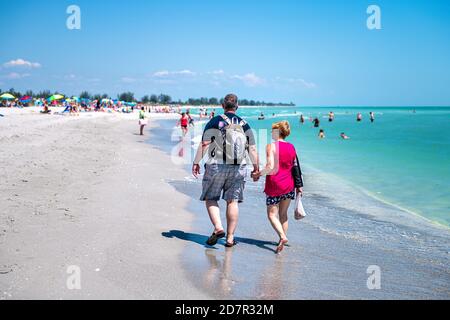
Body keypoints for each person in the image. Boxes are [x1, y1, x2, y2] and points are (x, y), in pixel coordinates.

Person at [192, 94, 259, 248]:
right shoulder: (244, 124)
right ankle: (230, 238)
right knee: (232, 201)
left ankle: (218, 227)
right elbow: (252, 148)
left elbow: (204, 144)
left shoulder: (215, 120)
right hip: (239, 166)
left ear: (223, 105)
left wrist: (196, 162)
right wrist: (256, 167)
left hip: (217, 164)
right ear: (237, 106)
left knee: (211, 197)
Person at [253, 121, 303, 254]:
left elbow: (269, 166)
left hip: (275, 184)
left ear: (277, 132)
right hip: (289, 185)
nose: (271, 133)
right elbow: (295, 166)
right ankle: (281, 239)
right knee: (283, 214)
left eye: (273, 130)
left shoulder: (271, 146)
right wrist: (299, 185)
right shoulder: (292, 147)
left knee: (271, 214)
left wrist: (258, 174)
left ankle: (282, 237)